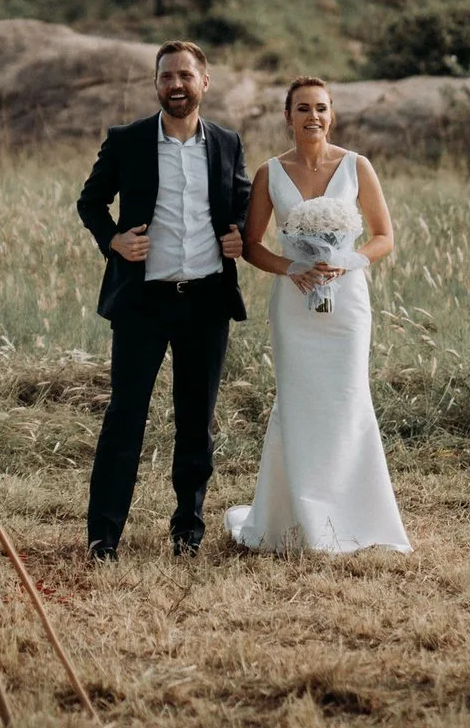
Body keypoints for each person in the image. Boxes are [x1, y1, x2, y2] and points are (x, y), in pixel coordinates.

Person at [75, 41, 251, 559]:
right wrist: (113, 240)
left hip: (205, 301)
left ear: (204, 82)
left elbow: (239, 202)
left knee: (196, 420)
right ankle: (103, 536)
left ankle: (188, 530)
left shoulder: (226, 142)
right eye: (166, 76)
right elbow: (90, 201)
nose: (176, 85)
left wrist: (238, 233)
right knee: (125, 416)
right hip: (142, 303)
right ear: (156, 85)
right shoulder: (127, 140)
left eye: (185, 76)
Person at [225, 79, 410, 554]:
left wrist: (345, 261)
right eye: (303, 108)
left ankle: (353, 515)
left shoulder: (356, 166)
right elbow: (251, 246)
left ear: (333, 115)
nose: (313, 116)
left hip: (346, 303)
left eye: (322, 108)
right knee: (299, 402)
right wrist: (293, 269)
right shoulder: (270, 172)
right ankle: (297, 518)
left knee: (347, 398)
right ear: (288, 116)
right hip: (294, 306)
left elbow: (384, 236)